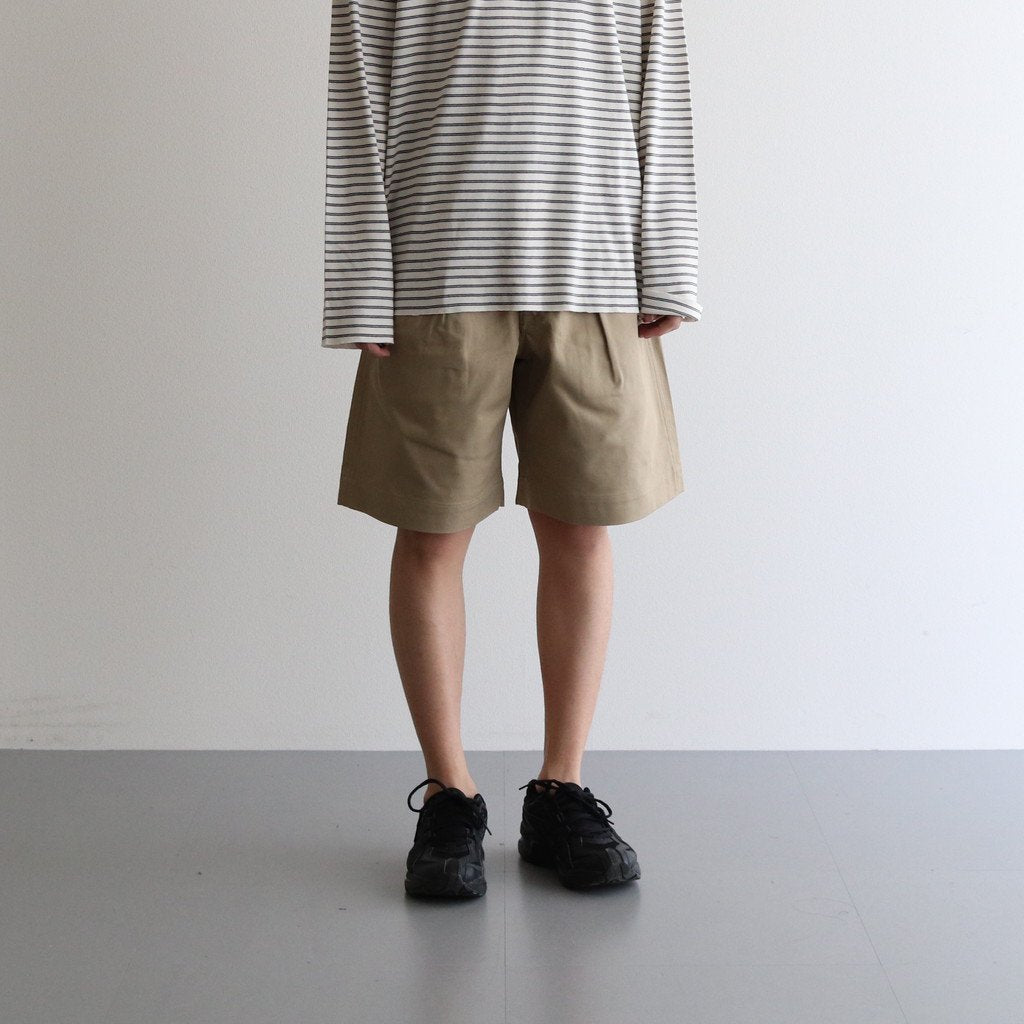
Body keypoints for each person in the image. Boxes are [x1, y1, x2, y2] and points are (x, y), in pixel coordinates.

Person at [322, 0, 703, 898]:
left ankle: (561, 790)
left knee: (580, 527)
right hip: (434, 268)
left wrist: (669, 262)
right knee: (430, 533)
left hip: (594, 265)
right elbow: (359, 89)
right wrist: (359, 279)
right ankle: (449, 795)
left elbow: (660, 83)